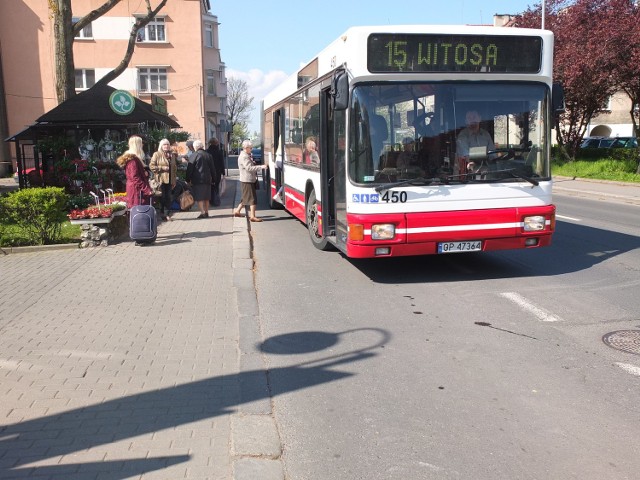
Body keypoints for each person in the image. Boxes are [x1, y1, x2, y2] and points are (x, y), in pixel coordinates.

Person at [233, 139, 267, 222]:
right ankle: (252, 216)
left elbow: (248, 166)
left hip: (246, 179)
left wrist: (252, 163)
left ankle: (237, 211)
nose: (251, 149)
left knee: (245, 198)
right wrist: (261, 167)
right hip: (247, 179)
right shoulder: (244, 156)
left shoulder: (245, 155)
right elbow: (249, 168)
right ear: (246, 147)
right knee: (252, 198)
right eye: (250, 148)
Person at [149, 138, 178, 221]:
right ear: (161, 146)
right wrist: (162, 168)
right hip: (160, 180)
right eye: (164, 144)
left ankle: (168, 214)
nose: (166, 146)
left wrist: (174, 180)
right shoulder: (157, 154)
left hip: (170, 180)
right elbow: (151, 166)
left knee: (169, 197)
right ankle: (162, 214)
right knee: (162, 197)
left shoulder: (172, 155)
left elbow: (174, 169)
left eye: (168, 144)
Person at [186, 139, 215, 218]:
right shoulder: (208, 155)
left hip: (198, 180)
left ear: (195, 147)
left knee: (199, 197)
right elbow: (213, 168)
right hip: (208, 179)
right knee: (206, 197)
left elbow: (190, 169)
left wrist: (187, 179)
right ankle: (206, 212)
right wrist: (214, 179)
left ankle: (202, 212)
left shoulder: (194, 156)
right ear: (202, 147)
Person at [206, 138, 225, 206]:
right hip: (217, 172)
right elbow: (221, 163)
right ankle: (215, 200)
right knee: (216, 186)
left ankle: (210, 200)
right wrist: (223, 172)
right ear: (216, 143)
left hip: (208, 172)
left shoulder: (207, 152)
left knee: (210, 186)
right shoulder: (219, 152)